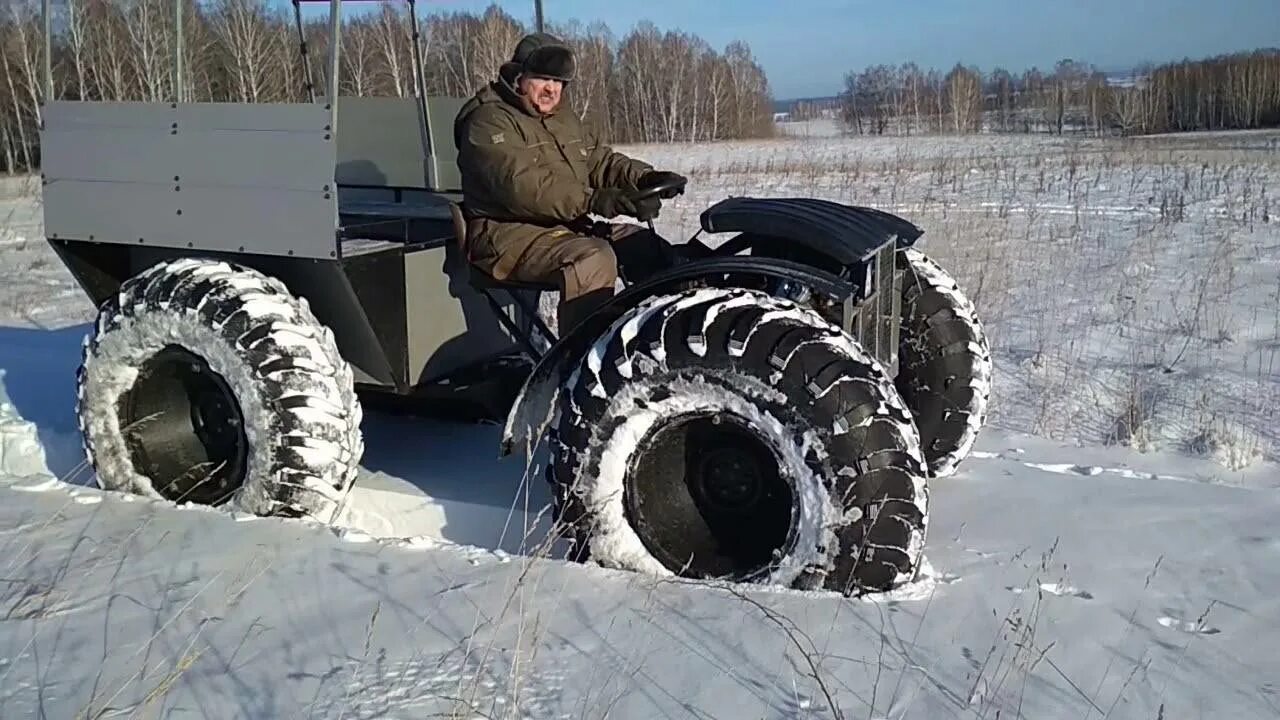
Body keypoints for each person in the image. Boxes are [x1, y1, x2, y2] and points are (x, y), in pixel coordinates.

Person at [454, 32, 688, 332]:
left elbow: (598, 161)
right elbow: (522, 186)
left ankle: (664, 341)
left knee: (644, 245)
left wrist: (644, 177)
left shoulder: (562, 118)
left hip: (562, 226)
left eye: (559, 82)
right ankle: (579, 366)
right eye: (542, 79)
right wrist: (594, 200)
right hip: (506, 234)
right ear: (518, 76)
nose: (551, 89)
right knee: (591, 259)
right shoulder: (488, 122)